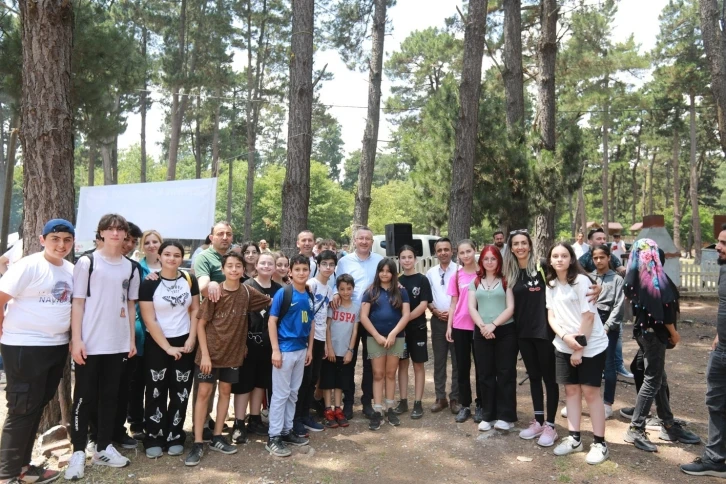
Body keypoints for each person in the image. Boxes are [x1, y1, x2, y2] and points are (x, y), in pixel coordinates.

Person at [0, 219, 74, 484]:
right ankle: (6, 474)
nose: (61, 245)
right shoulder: (29, 266)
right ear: (43, 240)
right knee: (22, 408)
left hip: (55, 347)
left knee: (37, 406)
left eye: (67, 240)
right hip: (24, 347)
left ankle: (24, 468)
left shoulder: (71, 270)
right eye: (55, 239)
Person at [66, 214, 140, 479]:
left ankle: (103, 446)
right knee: (84, 398)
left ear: (125, 235)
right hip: (90, 342)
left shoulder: (130, 267)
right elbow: (77, 302)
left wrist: (130, 339)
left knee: (110, 397)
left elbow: (131, 305)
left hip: (117, 343)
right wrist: (77, 339)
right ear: (101, 233)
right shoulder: (87, 262)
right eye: (110, 229)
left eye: (120, 229)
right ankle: (77, 452)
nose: (116, 233)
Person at [184, 251, 271, 466]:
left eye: (238, 266)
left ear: (243, 270)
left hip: (233, 354)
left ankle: (217, 436)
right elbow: (202, 324)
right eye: (229, 266)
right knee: (204, 393)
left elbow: (271, 300)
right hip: (209, 354)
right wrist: (204, 354)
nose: (234, 269)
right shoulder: (215, 293)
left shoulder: (248, 293)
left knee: (225, 392)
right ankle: (197, 442)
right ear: (222, 270)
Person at [623, 239, 700, 452]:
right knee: (653, 379)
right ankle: (636, 428)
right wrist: (674, 334)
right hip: (654, 335)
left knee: (659, 378)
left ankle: (667, 423)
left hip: (643, 334)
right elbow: (663, 313)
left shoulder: (637, 279)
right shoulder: (654, 280)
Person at [545, 242, 609, 465]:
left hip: (591, 346)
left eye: (564, 255)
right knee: (571, 391)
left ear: (571, 259)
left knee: (590, 393)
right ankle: (574, 439)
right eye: (555, 256)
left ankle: (600, 443)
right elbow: (551, 316)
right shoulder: (551, 284)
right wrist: (565, 338)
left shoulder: (582, 282)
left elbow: (588, 317)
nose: (560, 259)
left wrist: (579, 349)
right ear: (550, 260)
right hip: (564, 345)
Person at [138, 241, 199, 459]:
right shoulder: (149, 283)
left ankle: (175, 435)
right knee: (155, 391)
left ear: (182, 258)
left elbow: (195, 309)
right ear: (160, 256)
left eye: (176, 255)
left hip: (185, 341)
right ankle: (154, 436)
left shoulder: (189, 280)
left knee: (180, 391)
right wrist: (167, 347)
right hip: (158, 343)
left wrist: (191, 338)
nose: (171, 259)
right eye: (167, 254)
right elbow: (149, 318)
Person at [504, 229, 559, 447]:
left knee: (549, 379)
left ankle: (551, 425)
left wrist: (595, 286)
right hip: (523, 334)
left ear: (530, 245)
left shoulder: (543, 266)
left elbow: (570, 275)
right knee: (534, 377)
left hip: (545, 332)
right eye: (515, 244)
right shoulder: (511, 272)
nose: (520, 247)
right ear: (511, 247)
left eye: (523, 243)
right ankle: (538, 420)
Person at [680, 225, 726, 477]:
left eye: (723, 243)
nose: (717, 246)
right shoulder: (723, 268)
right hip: (722, 351)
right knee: (716, 403)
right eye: (719, 241)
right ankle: (716, 460)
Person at [265, 255, 315, 457]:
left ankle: (286, 431)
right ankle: (274, 436)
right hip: (285, 350)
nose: (302, 273)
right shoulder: (284, 293)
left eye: (305, 269)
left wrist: (310, 349)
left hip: (301, 349)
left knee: (293, 392)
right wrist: (276, 350)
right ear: (290, 272)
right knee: (280, 394)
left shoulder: (309, 296)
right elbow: (271, 322)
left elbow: (311, 324)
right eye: (298, 269)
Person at [230, 252, 281, 444]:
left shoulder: (280, 289)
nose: (267, 266)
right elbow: (240, 319)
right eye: (263, 263)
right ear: (256, 266)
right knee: (244, 385)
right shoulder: (247, 287)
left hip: (269, 344)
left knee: (261, 382)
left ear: (275, 267)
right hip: (249, 343)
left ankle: (255, 418)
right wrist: (241, 343)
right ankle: (239, 423)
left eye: (270, 263)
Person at [335, 226, 383, 419]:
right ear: (354, 240)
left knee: (370, 361)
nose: (364, 241)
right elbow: (335, 285)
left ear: (372, 242)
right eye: (360, 238)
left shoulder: (380, 261)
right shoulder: (344, 262)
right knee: (349, 360)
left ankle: (367, 401)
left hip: (373, 316)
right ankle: (347, 402)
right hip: (349, 317)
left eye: (368, 239)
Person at [468, 245, 518, 432]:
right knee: (485, 374)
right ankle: (488, 415)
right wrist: (483, 326)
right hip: (482, 332)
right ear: (481, 261)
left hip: (505, 331)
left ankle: (506, 416)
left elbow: (510, 307)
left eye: (493, 258)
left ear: (499, 261)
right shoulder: (475, 282)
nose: (489, 262)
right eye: (486, 259)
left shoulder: (507, 280)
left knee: (505, 373)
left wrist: (494, 325)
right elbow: (472, 307)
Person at [191, 221, 233, 440]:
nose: (225, 237)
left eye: (228, 234)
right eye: (220, 234)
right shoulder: (204, 258)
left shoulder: (232, 257)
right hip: (208, 326)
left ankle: (213, 422)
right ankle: (203, 423)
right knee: (205, 382)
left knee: (223, 383)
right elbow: (203, 284)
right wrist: (212, 285)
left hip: (229, 330)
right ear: (211, 237)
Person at [360, 258, 410, 430]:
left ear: (394, 273)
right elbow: (364, 316)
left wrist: (394, 333)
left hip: (397, 338)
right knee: (378, 374)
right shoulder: (371, 291)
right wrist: (377, 335)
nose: (385, 274)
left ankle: (390, 408)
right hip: (375, 338)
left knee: (391, 373)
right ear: (378, 272)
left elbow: (405, 315)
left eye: (389, 271)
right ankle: (378, 410)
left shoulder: (401, 291)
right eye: (382, 270)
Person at [292, 250, 335, 436]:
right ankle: (296, 419)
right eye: (324, 263)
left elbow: (324, 318)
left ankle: (305, 415)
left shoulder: (329, 288)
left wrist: (325, 342)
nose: (327, 267)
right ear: (317, 264)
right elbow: (307, 316)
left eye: (331, 264)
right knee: (302, 380)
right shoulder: (311, 285)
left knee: (312, 380)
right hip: (306, 339)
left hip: (319, 339)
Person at [445, 239, 482, 424]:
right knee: (462, 367)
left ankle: (481, 405)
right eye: (462, 253)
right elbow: (453, 303)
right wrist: (449, 326)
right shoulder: (456, 276)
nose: (466, 255)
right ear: (457, 255)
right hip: (460, 326)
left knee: (482, 367)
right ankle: (465, 404)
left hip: (479, 326)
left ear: (475, 251)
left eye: (469, 251)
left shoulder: (482, 273)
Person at [395, 245, 432, 419]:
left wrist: (406, 319)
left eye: (410, 257)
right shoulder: (397, 281)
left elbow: (423, 305)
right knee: (402, 364)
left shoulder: (422, 280)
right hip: (401, 332)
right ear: (399, 260)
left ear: (415, 259)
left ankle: (418, 402)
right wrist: (400, 324)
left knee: (418, 365)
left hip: (418, 329)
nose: (407, 260)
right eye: (403, 257)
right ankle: (403, 400)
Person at [320, 274, 359, 429]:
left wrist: (350, 350)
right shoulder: (333, 306)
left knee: (340, 382)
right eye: (342, 289)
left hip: (345, 352)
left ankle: (338, 409)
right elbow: (327, 327)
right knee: (328, 381)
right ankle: (327, 409)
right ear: (338, 289)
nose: (345, 292)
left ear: (353, 289)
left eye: (348, 288)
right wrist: (329, 348)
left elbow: (355, 332)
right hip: (331, 351)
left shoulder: (356, 308)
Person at [426, 238, 460, 414]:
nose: (443, 253)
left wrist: (453, 314)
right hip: (438, 321)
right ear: (435, 252)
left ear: (452, 251)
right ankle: (441, 398)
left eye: (446, 249)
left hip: (457, 322)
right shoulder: (430, 273)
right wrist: (434, 310)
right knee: (439, 361)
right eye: (439, 250)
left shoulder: (460, 271)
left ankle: (455, 398)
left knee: (457, 361)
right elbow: (427, 297)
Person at [591, 245, 624, 420]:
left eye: (602, 257)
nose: (598, 261)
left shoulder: (617, 279)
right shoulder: (588, 278)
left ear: (609, 257)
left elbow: (619, 306)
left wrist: (607, 326)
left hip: (608, 324)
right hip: (590, 321)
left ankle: (607, 403)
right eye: (595, 257)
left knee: (609, 363)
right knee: (589, 362)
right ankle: (590, 401)